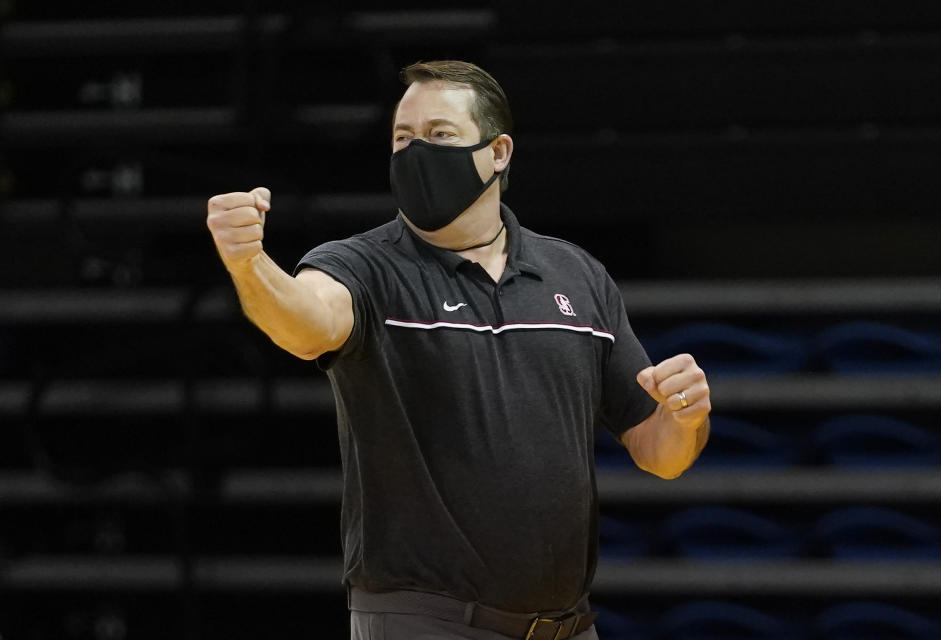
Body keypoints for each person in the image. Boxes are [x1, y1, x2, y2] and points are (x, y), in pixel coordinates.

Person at [206, 60, 711, 640]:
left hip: (566, 626)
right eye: (404, 138)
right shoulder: (364, 266)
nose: (417, 151)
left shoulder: (575, 273)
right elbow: (305, 323)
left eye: (440, 135)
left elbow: (660, 454)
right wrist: (249, 264)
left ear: (498, 152)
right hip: (425, 620)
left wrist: (685, 417)